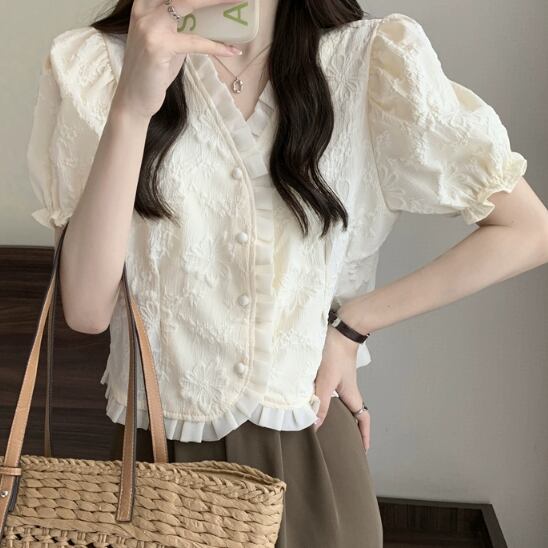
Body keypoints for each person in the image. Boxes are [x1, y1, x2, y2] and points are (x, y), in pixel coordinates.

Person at [26, 0, 548, 546]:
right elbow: (86, 310)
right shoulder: (96, 66)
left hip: (312, 451)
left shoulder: (368, 62)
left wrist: (353, 325)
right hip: (159, 463)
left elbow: (527, 230)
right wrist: (132, 107)